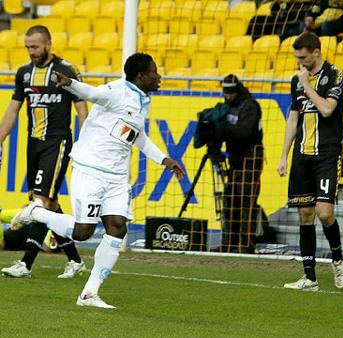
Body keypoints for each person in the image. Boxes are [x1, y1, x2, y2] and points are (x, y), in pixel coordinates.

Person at [12, 52, 185, 309]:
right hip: (91, 169)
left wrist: (164, 159)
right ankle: (37, 213)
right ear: (141, 76)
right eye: (154, 72)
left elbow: (136, 136)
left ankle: (89, 294)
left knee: (117, 227)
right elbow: (91, 94)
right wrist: (69, 83)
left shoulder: (141, 100)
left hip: (116, 176)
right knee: (83, 233)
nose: (158, 77)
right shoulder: (115, 91)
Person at [0, 25, 88, 279]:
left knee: (39, 202)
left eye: (35, 47)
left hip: (58, 142)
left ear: (48, 44)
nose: (31, 51)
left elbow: (82, 107)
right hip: (34, 143)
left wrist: (86, 141)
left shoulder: (66, 70)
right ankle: (75, 260)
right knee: (48, 205)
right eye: (28, 47)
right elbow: (13, 110)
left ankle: (26, 264)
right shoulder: (24, 74)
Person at [277, 32, 343, 291]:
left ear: (316, 52)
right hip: (301, 155)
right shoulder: (296, 80)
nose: (300, 62)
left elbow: (328, 109)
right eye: (297, 58)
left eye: (303, 57)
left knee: (324, 213)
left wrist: (307, 85)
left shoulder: (335, 75)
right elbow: (293, 118)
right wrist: (284, 156)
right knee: (305, 214)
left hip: (326, 155)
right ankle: (310, 277)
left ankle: (338, 259)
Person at [219, 74, 264, 254]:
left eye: (230, 92)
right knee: (230, 200)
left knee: (247, 200)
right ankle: (228, 243)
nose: (227, 96)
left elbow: (244, 131)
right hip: (235, 158)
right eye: (225, 92)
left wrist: (221, 128)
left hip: (251, 157)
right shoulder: (227, 107)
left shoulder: (250, 106)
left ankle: (246, 245)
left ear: (237, 90)